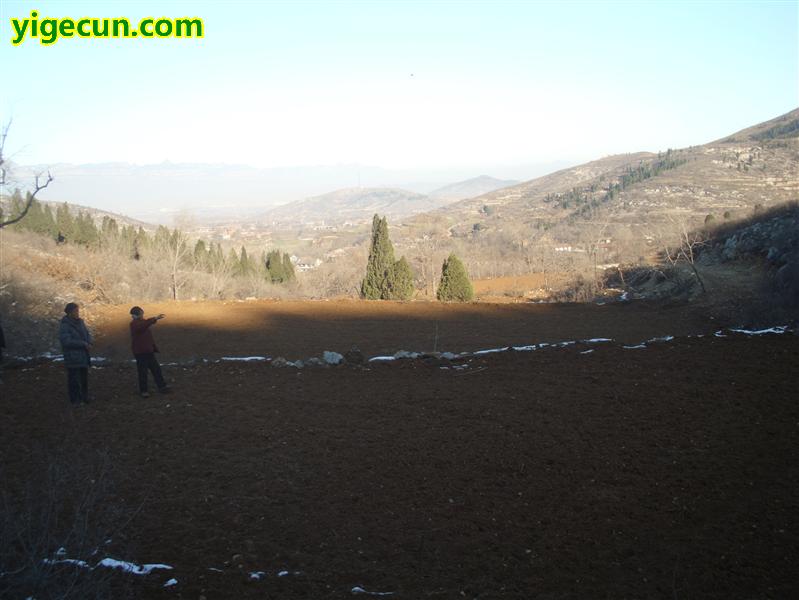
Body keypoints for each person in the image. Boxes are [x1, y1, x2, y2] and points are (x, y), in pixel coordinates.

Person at [129, 306, 171, 398]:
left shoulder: (140, 322)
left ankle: (162, 386)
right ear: (137, 315)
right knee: (143, 372)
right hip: (141, 352)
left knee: (156, 370)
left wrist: (154, 319)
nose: (142, 315)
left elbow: (145, 323)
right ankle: (144, 390)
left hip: (147, 351)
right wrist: (154, 319)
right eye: (141, 313)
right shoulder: (134, 324)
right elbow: (143, 325)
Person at [59, 302, 92, 405]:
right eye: (76, 311)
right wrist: (83, 344)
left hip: (83, 355)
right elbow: (66, 341)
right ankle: (75, 400)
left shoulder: (81, 322)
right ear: (70, 312)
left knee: (83, 379)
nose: (78, 313)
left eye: (78, 310)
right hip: (72, 357)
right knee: (74, 380)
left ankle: (84, 397)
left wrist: (89, 342)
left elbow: (87, 333)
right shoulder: (65, 325)